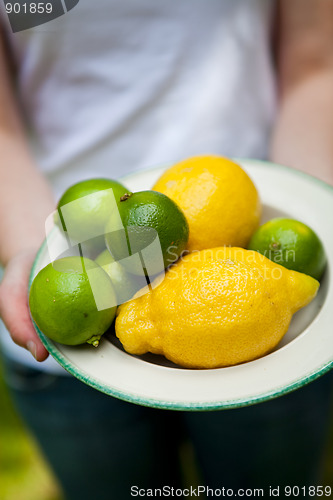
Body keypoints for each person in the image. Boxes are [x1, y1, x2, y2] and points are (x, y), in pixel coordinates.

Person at [0, 1, 333, 498]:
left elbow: (314, 65)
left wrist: (320, 209)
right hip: (78, 274)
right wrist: (31, 245)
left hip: (263, 298)